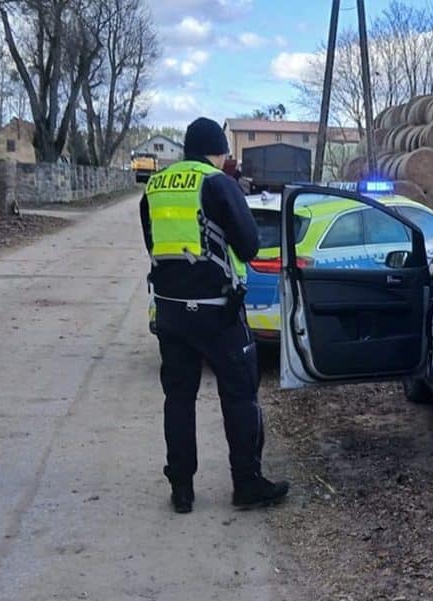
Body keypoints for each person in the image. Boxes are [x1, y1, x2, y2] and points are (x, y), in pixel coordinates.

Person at [140, 117, 289, 514]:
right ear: (218, 150)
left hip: (171, 310)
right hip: (218, 311)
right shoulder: (217, 182)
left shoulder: (154, 188)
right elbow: (250, 245)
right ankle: (246, 484)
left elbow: (152, 242)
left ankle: (182, 489)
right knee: (239, 395)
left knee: (179, 398)